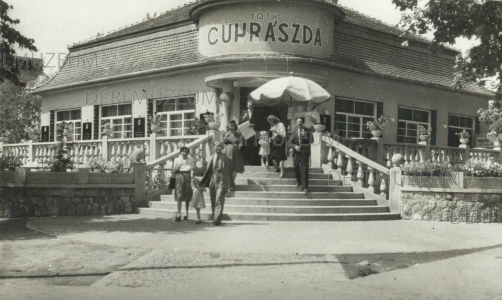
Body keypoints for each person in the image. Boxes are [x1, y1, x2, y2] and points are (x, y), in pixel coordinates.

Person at [199, 142, 232, 226]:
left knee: (219, 198)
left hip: (222, 178)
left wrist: (228, 185)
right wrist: (203, 183)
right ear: (214, 147)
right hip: (213, 178)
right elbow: (207, 172)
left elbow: (228, 173)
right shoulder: (210, 158)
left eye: (221, 146)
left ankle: (217, 219)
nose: (219, 148)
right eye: (217, 146)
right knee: (213, 198)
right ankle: (215, 216)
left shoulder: (227, 158)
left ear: (223, 148)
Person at [172, 146, 196, 221]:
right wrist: (177, 168)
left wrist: (192, 179)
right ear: (181, 152)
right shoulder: (177, 159)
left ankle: (186, 212)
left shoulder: (191, 159)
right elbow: (174, 170)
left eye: (186, 152)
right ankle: (179, 213)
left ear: (188, 152)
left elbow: (192, 170)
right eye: (183, 151)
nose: (184, 153)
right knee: (179, 195)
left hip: (187, 177)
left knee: (187, 195)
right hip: (179, 177)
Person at [222, 120, 245, 192]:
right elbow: (221, 143)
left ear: (235, 126)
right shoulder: (225, 133)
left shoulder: (238, 134)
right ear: (228, 126)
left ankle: (232, 182)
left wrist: (240, 145)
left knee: (235, 168)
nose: (231, 127)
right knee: (228, 168)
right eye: (230, 125)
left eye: (233, 125)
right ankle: (230, 183)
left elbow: (242, 142)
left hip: (236, 152)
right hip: (227, 152)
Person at [290, 117, 312, 192]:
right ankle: (299, 181)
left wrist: (305, 135)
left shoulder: (307, 130)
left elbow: (311, 140)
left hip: (304, 151)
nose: (299, 123)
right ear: (296, 123)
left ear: (303, 122)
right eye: (298, 122)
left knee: (304, 169)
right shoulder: (294, 131)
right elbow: (289, 142)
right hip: (296, 151)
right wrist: (295, 146)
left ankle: (305, 186)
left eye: (301, 122)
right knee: (296, 167)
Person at [240, 100, 260, 165]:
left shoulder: (256, 113)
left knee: (253, 147)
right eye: (249, 105)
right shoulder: (244, 112)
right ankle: (246, 162)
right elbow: (240, 123)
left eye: (251, 105)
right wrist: (243, 118)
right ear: (247, 105)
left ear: (253, 106)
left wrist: (255, 125)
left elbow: (259, 122)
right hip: (245, 132)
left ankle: (252, 162)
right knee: (245, 147)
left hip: (253, 132)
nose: (250, 107)